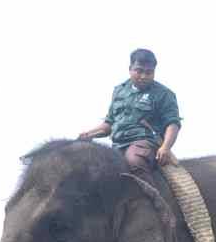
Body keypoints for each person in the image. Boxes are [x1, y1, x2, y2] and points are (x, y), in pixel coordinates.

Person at [78, 48, 182, 178]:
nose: (144, 76)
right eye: (139, 71)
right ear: (130, 69)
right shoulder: (119, 91)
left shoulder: (164, 94)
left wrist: (165, 147)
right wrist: (89, 134)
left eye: (149, 72)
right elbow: (109, 123)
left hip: (144, 143)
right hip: (117, 145)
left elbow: (172, 124)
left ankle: (151, 197)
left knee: (134, 161)